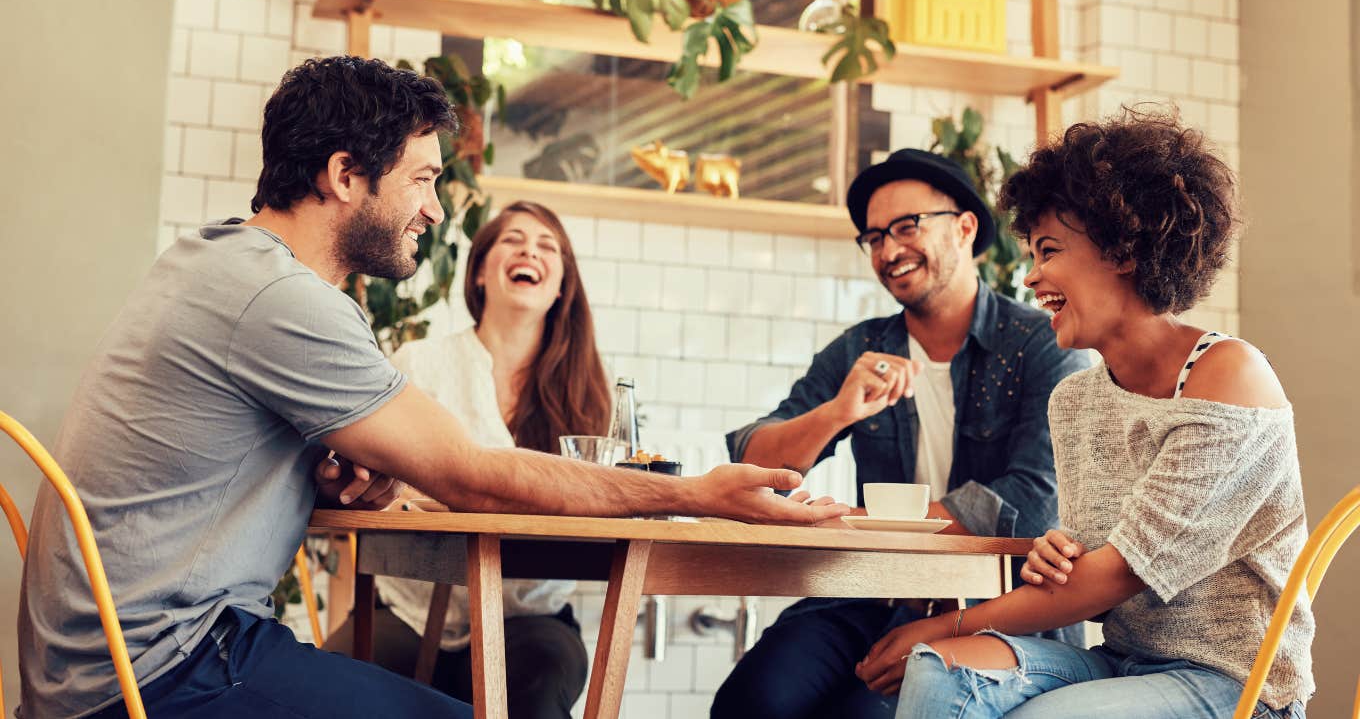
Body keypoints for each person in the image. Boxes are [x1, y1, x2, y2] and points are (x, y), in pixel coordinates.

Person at [16, 56, 847, 719]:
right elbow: (469, 470)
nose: (436, 212)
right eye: (421, 180)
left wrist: (330, 470)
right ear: (346, 174)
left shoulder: (219, 263)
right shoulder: (283, 298)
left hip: (104, 658)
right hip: (162, 668)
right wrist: (699, 492)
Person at [880, 108, 1313, 719]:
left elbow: (1116, 577)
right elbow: (1095, 586)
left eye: (1049, 250)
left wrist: (944, 623)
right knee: (941, 670)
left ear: (1125, 247)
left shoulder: (1229, 377)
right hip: (1122, 659)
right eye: (1030, 254)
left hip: (1236, 682)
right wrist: (1057, 558)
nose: (1031, 276)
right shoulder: (1077, 398)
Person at [711, 149, 1090, 719]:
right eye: (873, 238)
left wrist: (875, 525)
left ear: (964, 229)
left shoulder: (1041, 345)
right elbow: (755, 460)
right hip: (867, 589)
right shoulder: (862, 349)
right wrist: (837, 412)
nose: (888, 251)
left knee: (864, 715)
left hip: (997, 605)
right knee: (750, 701)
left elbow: (1037, 499)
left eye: (907, 227)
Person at [324, 201, 605, 717]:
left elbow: (601, 501)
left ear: (563, 285)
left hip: (530, 617)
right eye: (513, 240)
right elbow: (379, 484)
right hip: (409, 608)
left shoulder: (586, 395)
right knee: (327, 688)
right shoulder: (419, 363)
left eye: (548, 247)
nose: (529, 252)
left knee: (541, 688)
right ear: (478, 271)